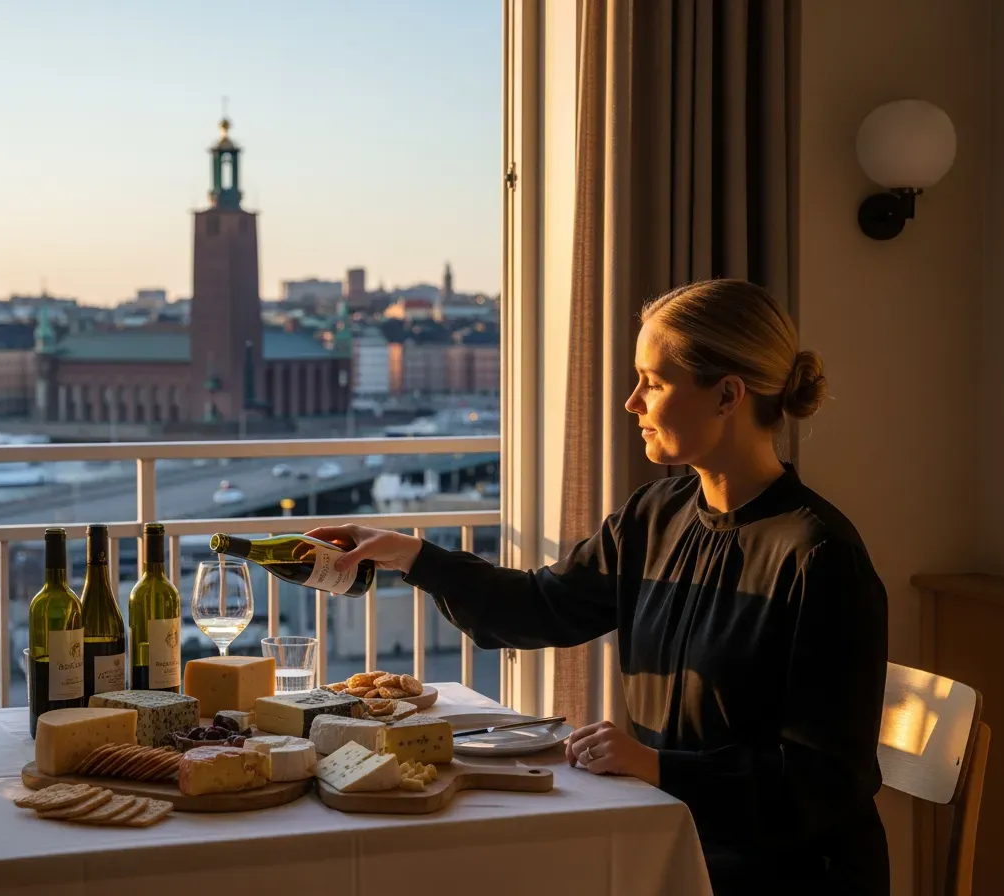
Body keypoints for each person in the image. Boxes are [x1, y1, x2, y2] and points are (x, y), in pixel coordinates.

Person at [308, 278, 889, 896]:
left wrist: (655, 766)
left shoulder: (820, 558)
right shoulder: (656, 515)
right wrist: (409, 554)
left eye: (654, 382)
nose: (632, 403)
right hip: (672, 834)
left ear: (727, 396)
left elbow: (819, 784)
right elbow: (541, 607)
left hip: (781, 871)